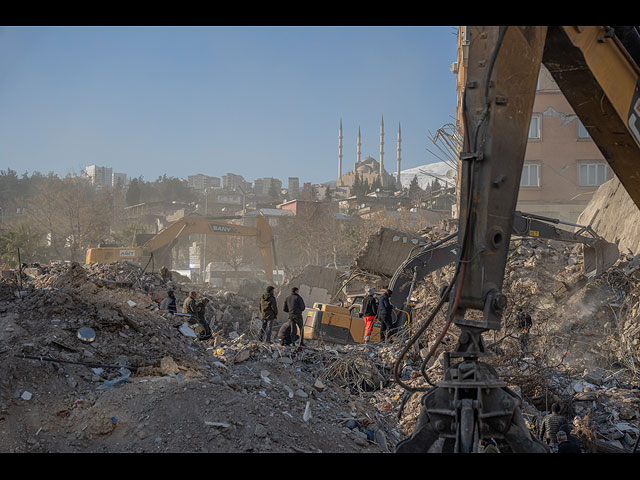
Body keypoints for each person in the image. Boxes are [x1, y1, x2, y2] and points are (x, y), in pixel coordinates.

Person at [283, 287, 306, 351]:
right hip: (298, 315)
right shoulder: (298, 297)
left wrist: (290, 311)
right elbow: (303, 307)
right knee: (301, 328)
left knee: (292, 330)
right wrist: (298, 310)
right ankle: (301, 342)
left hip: (291, 315)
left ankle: (292, 342)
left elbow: (284, 309)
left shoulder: (287, 298)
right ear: (296, 291)